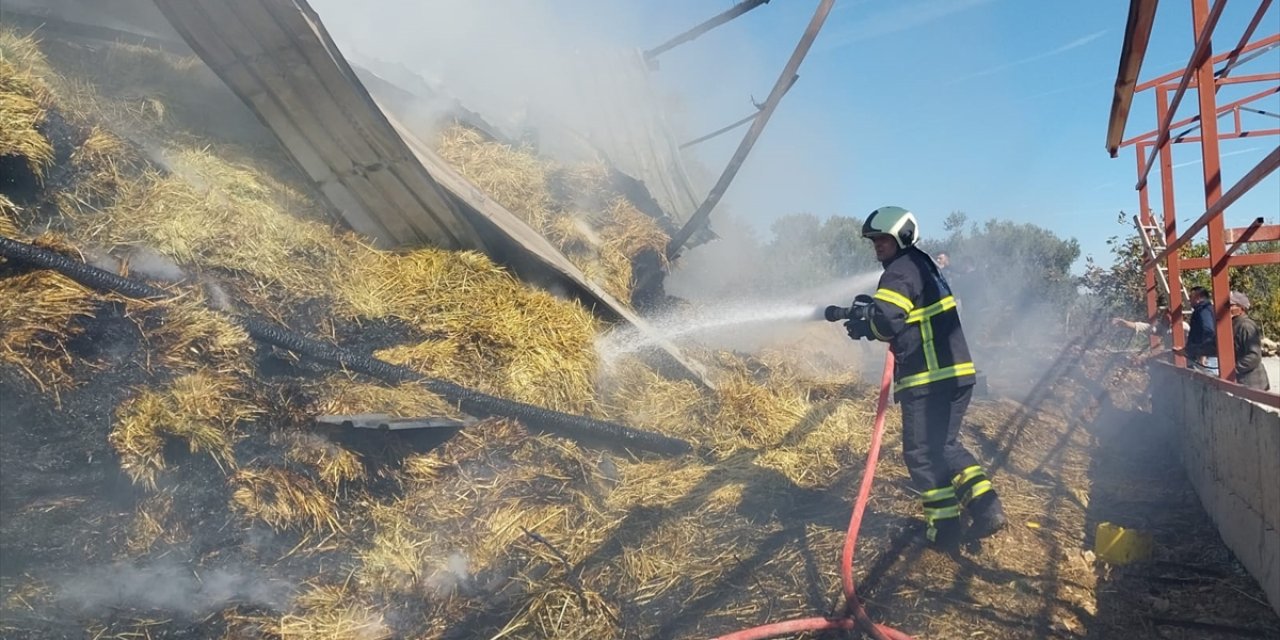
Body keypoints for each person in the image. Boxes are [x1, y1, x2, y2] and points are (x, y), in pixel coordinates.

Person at [840, 206, 1006, 547]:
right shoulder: (923, 265)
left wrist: (866, 325)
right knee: (945, 447)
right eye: (874, 241)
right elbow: (900, 313)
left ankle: (944, 530)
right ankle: (988, 509)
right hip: (957, 374)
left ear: (902, 236)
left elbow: (887, 321)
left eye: (883, 239)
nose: (877, 246)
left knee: (920, 453)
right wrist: (870, 315)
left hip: (928, 378)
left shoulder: (900, 271)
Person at [1228, 291, 1270, 391]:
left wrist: (1233, 370)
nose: (1228, 308)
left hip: (1252, 382)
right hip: (1244, 381)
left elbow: (1254, 356)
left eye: (1231, 305)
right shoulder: (1234, 324)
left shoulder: (1246, 326)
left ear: (1241, 308)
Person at [1176, 286, 1218, 373]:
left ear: (1198, 298)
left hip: (1206, 359)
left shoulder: (1203, 311)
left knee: (1208, 383)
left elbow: (1208, 331)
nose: (1189, 300)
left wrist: (1203, 353)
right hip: (1205, 356)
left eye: (1191, 297)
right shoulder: (1205, 309)